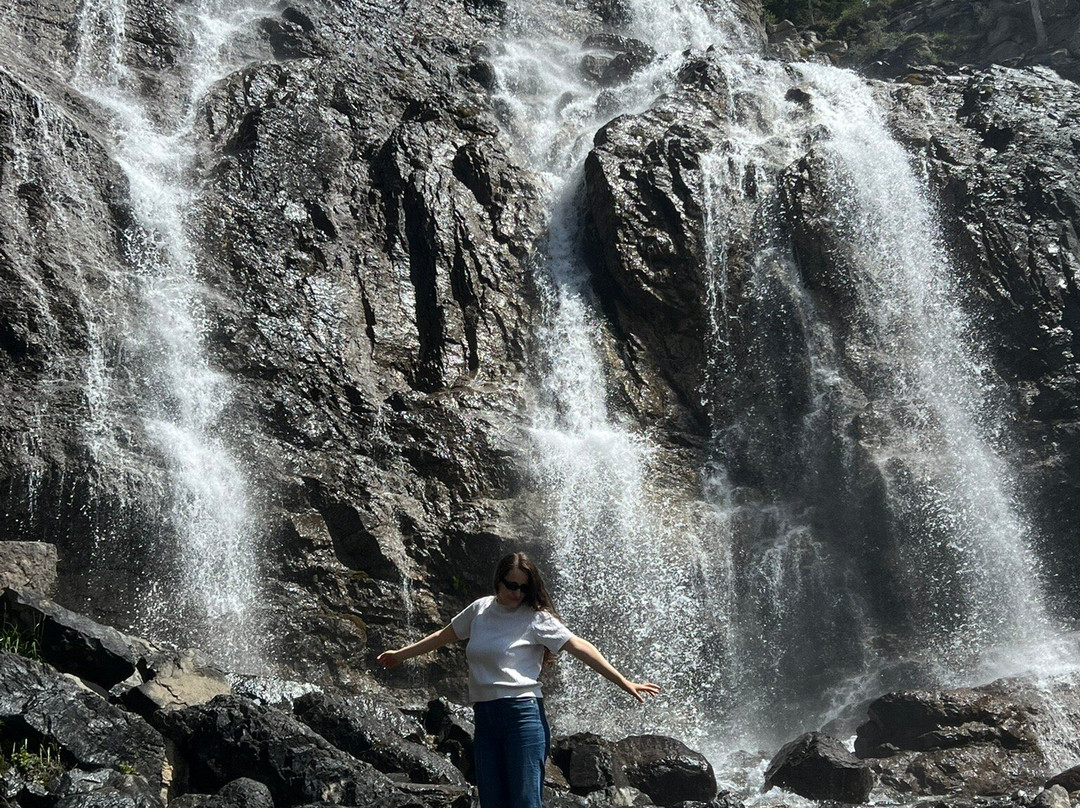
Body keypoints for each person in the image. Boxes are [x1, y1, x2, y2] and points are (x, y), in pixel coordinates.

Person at [376, 551, 660, 808]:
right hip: (485, 716)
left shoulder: (536, 618)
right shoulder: (480, 610)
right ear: (498, 581)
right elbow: (443, 636)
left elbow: (580, 647)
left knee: (524, 801)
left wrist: (624, 682)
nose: (517, 593)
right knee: (492, 801)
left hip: (523, 717)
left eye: (524, 588)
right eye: (512, 585)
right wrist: (401, 655)